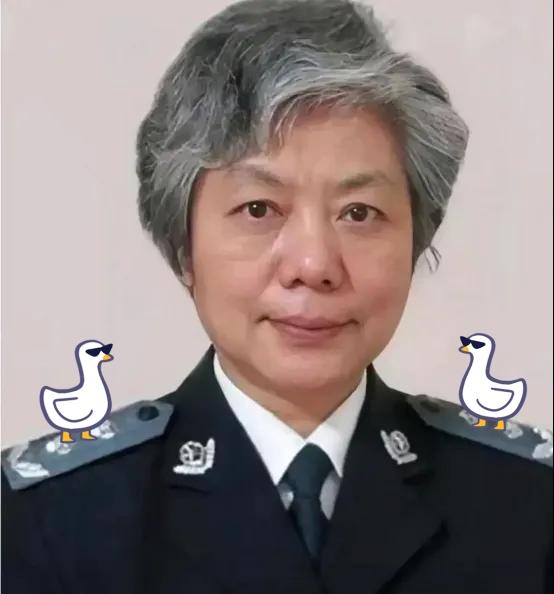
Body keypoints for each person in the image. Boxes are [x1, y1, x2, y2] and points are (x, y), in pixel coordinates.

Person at [2, 1, 552, 593]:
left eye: (359, 213)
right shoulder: (47, 520)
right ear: (184, 249)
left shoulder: (528, 504)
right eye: (259, 208)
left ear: (415, 242)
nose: (313, 266)